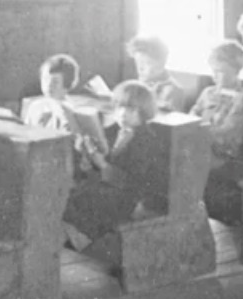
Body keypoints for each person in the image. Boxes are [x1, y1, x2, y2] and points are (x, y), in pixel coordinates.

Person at [62, 80, 170, 248]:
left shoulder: (148, 141)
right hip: (102, 186)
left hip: (126, 196)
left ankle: (78, 242)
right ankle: (72, 240)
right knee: (69, 196)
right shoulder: (111, 131)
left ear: (144, 113)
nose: (123, 114)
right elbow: (92, 168)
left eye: (131, 109)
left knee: (88, 202)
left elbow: (134, 182)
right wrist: (85, 157)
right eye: (119, 107)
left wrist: (104, 165)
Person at [192, 40, 243, 226]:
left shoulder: (242, 100)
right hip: (202, 145)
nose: (218, 77)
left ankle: (196, 216)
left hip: (224, 153)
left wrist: (201, 126)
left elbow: (224, 133)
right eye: (214, 71)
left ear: (236, 70)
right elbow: (191, 117)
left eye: (223, 72)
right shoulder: (208, 92)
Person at [23, 52, 109, 175]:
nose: (48, 85)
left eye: (55, 82)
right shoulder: (35, 106)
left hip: (62, 163)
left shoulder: (72, 110)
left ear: (67, 84)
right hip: (37, 159)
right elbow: (26, 133)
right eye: (45, 79)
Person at [126, 33, 190, 113]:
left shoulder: (172, 91)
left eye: (146, 63)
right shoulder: (139, 84)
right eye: (138, 62)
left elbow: (172, 121)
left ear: (160, 64)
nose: (140, 68)